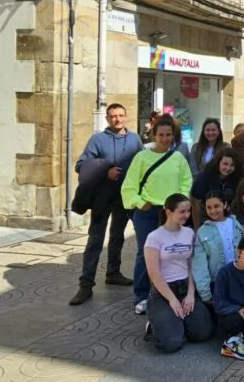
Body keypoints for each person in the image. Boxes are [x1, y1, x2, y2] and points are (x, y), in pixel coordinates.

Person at [69, 103, 142, 306]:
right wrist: (105, 170)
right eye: (113, 116)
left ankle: (113, 272)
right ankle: (85, 284)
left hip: (124, 198)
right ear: (108, 119)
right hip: (102, 198)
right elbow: (81, 165)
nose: (117, 119)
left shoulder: (135, 139)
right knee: (95, 239)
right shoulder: (97, 140)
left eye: (120, 115)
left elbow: (142, 162)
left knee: (117, 236)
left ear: (126, 117)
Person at [122, 115, 193, 315]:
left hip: (170, 212)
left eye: (168, 135)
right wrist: (139, 203)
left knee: (171, 252)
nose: (164, 139)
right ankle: (142, 295)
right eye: (161, 135)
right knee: (145, 253)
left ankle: (166, 292)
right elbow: (129, 186)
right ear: (154, 135)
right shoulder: (142, 157)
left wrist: (180, 204)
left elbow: (186, 182)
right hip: (148, 210)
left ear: (173, 136)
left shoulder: (178, 158)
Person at [143, 194, 213, 352]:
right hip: (163, 292)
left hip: (185, 287)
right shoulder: (154, 237)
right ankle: (155, 325)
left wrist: (190, 293)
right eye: (182, 211)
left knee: (203, 333)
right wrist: (173, 300)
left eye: (188, 211)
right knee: (171, 343)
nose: (186, 215)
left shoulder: (189, 233)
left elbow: (190, 265)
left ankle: (175, 322)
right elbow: (154, 274)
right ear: (168, 212)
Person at [192, 191, 243, 305]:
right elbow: (199, 265)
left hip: (239, 278)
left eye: (216, 206)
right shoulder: (202, 232)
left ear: (224, 205)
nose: (213, 210)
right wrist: (205, 293)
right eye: (209, 207)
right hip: (217, 283)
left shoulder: (235, 224)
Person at [189, 147, 243, 228]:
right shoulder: (205, 176)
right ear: (218, 162)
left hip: (227, 218)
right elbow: (195, 203)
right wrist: (197, 228)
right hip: (207, 218)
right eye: (225, 164)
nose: (228, 168)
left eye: (232, 165)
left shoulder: (236, 177)